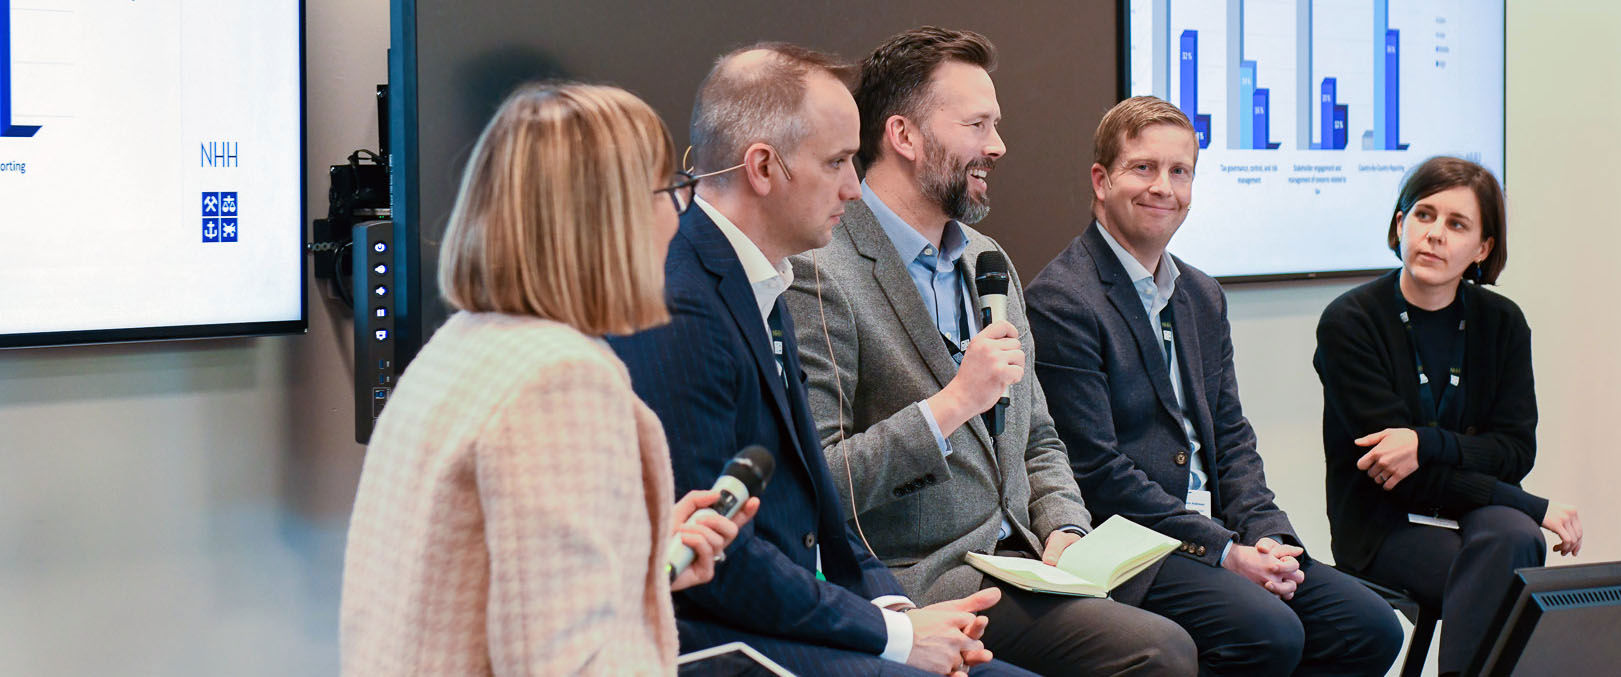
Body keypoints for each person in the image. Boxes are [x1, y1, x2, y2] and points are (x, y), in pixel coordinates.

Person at [785, 27, 1197, 677]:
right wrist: (951, 405)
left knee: (1239, 624)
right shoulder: (821, 269)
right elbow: (822, 479)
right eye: (977, 124)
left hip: (1029, 555)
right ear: (904, 136)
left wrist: (1064, 525)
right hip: (927, 578)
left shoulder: (987, 261)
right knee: (1160, 652)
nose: (998, 146)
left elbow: (1037, 435)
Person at [608, 44, 1026, 677]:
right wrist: (892, 634)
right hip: (724, 638)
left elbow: (818, 507)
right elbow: (721, 558)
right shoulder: (683, 302)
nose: (855, 189)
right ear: (764, 167)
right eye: (836, 163)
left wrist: (892, 608)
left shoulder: (763, 275)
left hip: (796, 610)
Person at [339, 82, 753, 674]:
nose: (681, 214)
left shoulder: (460, 346)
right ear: (612, 220)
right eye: (671, 190)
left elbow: (495, 584)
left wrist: (644, 558)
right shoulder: (560, 381)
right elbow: (568, 662)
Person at [1027, 95, 1405, 676]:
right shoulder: (1062, 300)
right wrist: (1227, 552)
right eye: (1143, 168)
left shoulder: (1201, 294)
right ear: (1101, 181)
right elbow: (1097, 472)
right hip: (1133, 545)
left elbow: (1231, 437)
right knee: (1267, 631)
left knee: (1369, 627)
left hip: (1219, 531)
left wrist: (1268, 535)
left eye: (1180, 171)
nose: (1163, 187)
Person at [1314, 155, 1584, 675]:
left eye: (1457, 224)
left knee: (1513, 540)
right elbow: (1395, 477)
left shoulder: (1501, 323)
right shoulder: (1350, 322)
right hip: (1381, 523)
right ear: (1400, 225)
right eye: (1424, 215)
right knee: (1511, 550)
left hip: (1470, 515)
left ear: (1482, 248)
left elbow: (1515, 451)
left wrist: (1423, 444)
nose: (1435, 234)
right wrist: (1532, 505)